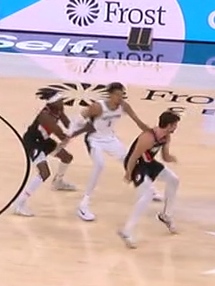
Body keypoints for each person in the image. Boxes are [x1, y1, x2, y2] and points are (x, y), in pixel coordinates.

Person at [63, 82, 152, 222]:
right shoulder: (98, 107)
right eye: (117, 95)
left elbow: (137, 121)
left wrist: (151, 132)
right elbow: (79, 118)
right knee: (99, 165)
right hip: (94, 140)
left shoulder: (124, 106)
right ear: (110, 95)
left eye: (122, 95)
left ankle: (147, 187)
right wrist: (69, 134)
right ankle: (83, 204)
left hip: (110, 139)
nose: (120, 97)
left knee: (129, 160)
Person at [119, 110, 182, 248]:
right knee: (146, 196)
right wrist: (128, 174)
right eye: (175, 125)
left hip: (148, 164)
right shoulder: (148, 137)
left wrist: (171, 158)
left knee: (174, 180)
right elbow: (133, 157)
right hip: (135, 165)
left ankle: (166, 215)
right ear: (169, 125)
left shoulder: (166, 137)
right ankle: (127, 231)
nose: (176, 128)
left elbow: (164, 156)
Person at [12, 92, 77, 217]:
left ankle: (58, 182)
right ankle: (19, 203)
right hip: (33, 142)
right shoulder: (45, 116)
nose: (62, 102)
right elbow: (61, 135)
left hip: (44, 140)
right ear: (52, 103)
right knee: (44, 173)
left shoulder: (58, 110)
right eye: (59, 101)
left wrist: (78, 125)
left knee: (67, 157)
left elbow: (68, 125)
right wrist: (71, 136)